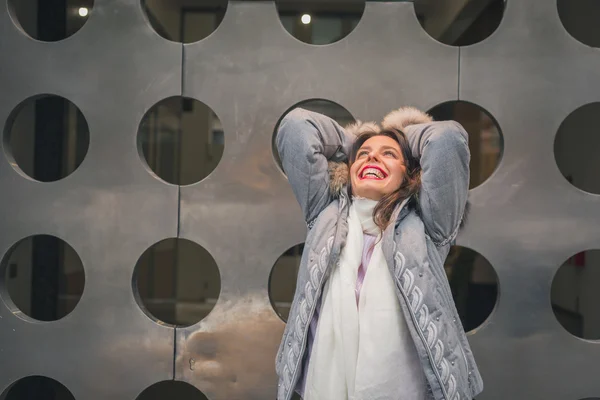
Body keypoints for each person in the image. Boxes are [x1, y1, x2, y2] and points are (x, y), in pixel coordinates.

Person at [274, 106, 484, 400]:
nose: (372, 156)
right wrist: (360, 140)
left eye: (389, 154)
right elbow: (296, 126)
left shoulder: (428, 225)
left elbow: (446, 139)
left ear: (409, 173)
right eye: (363, 155)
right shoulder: (324, 212)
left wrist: (399, 136)